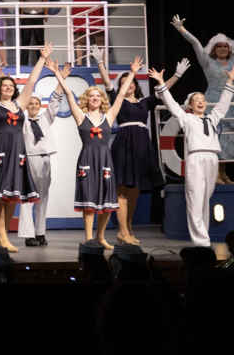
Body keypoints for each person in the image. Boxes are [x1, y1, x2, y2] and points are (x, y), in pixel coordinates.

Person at [92, 43, 185, 243]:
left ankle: (128, 230)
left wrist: (177, 75)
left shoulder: (145, 103)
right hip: (124, 144)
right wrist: (100, 62)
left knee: (135, 191)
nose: (130, 83)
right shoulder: (118, 100)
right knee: (122, 190)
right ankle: (123, 232)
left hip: (142, 145)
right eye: (126, 81)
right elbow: (107, 82)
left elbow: (163, 89)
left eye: (132, 80)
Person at [45, 56, 141, 248]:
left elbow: (121, 94)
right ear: (86, 99)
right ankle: (89, 239)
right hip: (88, 159)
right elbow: (69, 95)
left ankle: (100, 237)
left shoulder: (110, 116)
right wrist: (57, 74)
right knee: (88, 200)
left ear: (102, 99)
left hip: (105, 160)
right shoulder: (81, 116)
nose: (95, 98)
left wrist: (132, 73)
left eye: (98, 96)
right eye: (91, 96)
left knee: (106, 202)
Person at [0, 40, 50, 252]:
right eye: (4, 85)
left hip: (18, 152)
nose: (8, 87)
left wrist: (42, 58)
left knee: (12, 196)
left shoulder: (20, 103)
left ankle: (2, 237)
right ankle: (3, 237)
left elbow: (32, 82)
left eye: (11, 85)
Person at [150, 63, 234, 247]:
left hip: (212, 158)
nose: (201, 101)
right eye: (197, 99)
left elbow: (222, 104)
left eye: (203, 98)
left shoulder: (211, 119)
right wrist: (161, 83)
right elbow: (171, 104)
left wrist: (229, 82)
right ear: (190, 104)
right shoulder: (186, 118)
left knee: (205, 200)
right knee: (195, 199)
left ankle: (202, 241)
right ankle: (202, 243)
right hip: (196, 159)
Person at [171, 16, 234, 184]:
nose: (222, 48)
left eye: (225, 46)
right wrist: (181, 29)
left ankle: (224, 173)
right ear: (213, 48)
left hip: (231, 103)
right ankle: (216, 175)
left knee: (229, 138)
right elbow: (196, 44)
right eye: (219, 46)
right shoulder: (207, 62)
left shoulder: (233, 62)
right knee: (217, 136)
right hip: (213, 103)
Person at [17, 69, 67, 247]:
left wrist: (61, 80)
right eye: (30, 103)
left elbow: (55, 101)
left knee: (42, 198)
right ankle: (28, 234)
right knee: (26, 198)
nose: (33, 106)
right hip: (27, 161)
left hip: (44, 160)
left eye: (36, 103)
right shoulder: (21, 121)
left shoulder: (45, 118)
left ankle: (40, 233)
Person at [7, 0, 59, 66]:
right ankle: (24, 65)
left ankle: (41, 63)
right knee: (25, 41)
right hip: (26, 16)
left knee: (39, 41)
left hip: (39, 16)